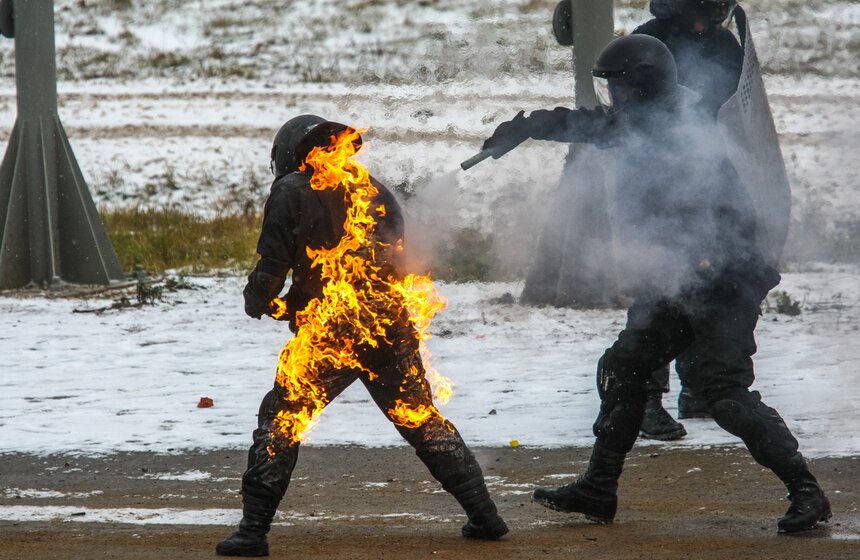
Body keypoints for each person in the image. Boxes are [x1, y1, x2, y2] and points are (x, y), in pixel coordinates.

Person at [479, 35, 831, 533]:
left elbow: (726, 221)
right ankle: (599, 489)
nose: (613, 98)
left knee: (725, 393)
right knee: (623, 369)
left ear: (642, 87)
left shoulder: (674, 129)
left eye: (619, 87)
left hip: (723, 281)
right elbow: (597, 126)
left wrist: (532, 127)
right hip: (676, 281)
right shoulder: (651, 120)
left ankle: (808, 493)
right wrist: (529, 127)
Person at [216, 115, 508, 557]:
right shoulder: (372, 187)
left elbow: (273, 266)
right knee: (420, 417)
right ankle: (485, 515)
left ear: (290, 154)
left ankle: (252, 532)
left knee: (281, 419)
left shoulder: (291, 190)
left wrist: (258, 301)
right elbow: (393, 260)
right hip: (389, 322)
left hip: (332, 328)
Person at [634, 0, 746, 432]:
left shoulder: (724, 45)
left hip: (708, 177)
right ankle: (642, 397)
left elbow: (739, 108)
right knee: (659, 284)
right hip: (654, 181)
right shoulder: (650, 42)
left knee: (705, 281)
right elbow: (633, 115)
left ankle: (698, 387)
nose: (711, 15)